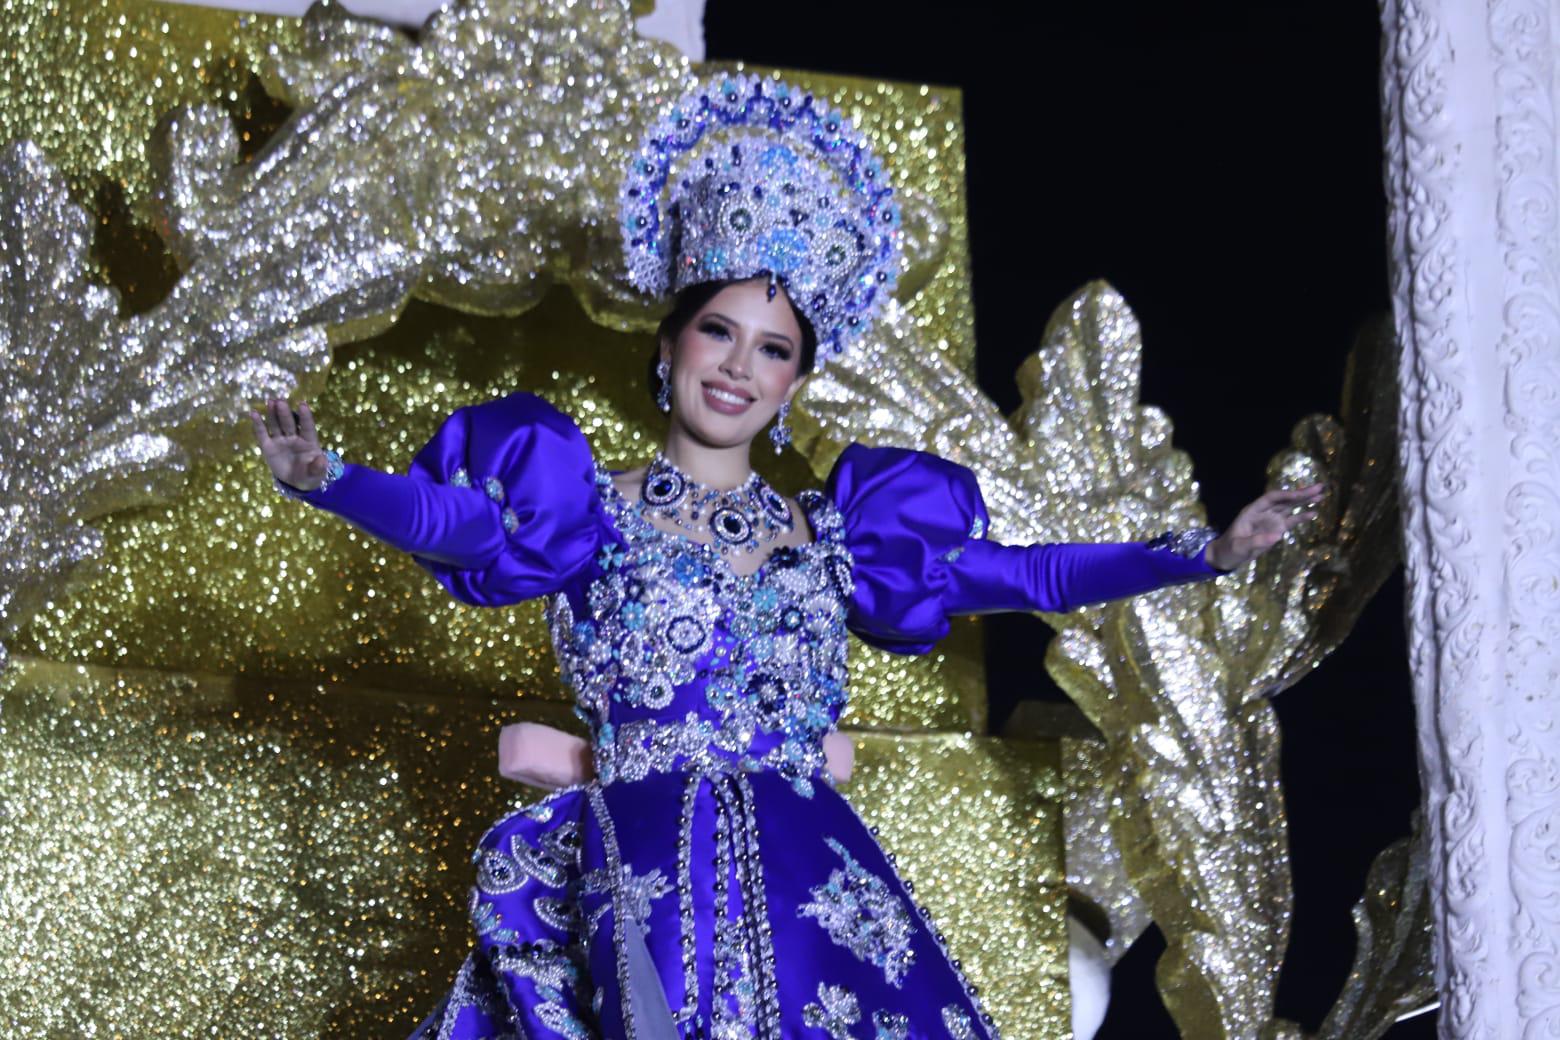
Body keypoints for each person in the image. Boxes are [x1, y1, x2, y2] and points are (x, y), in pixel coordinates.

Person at [250, 75, 1322, 1040]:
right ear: (668, 347)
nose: (740, 367)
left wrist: (1204, 553)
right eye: (718, 332)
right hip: (643, 869)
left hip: (812, 881)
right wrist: (329, 480)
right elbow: (464, 527)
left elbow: (1029, 575)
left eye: (774, 350)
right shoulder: (584, 505)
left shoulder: (839, 540)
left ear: (794, 384)